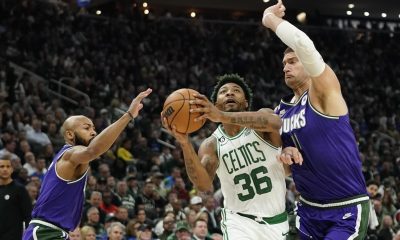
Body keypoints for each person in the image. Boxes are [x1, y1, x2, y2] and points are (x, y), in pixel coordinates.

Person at [262, 1, 370, 239]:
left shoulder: (323, 91)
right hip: (308, 209)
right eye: (283, 64)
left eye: (292, 62)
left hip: (346, 208)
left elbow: (303, 44)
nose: (286, 68)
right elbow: (286, 169)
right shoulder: (280, 111)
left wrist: (269, 19)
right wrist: (283, 153)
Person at [162, 74, 302, 239]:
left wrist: (220, 116)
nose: (229, 93)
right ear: (215, 105)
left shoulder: (262, 120)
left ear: (246, 103)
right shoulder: (211, 144)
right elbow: (203, 185)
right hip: (239, 221)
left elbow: (275, 123)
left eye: (236, 91)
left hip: (277, 221)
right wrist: (185, 143)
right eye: (223, 91)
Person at [22, 88, 152, 240]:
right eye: (86, 128)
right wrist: (128, 115)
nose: (93, 132)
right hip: (45, 232)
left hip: (55, 232)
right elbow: (93, 150)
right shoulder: (70, 153)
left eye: (94, 128)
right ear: (70, 134)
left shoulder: (70, 157)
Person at [0, 157, 32, 240]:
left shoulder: (19, 189)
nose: (5, 169)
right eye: (2, 166)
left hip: (13, 236)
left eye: (8, 167)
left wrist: (28, 236)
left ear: (12, 169)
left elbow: (28, 215)